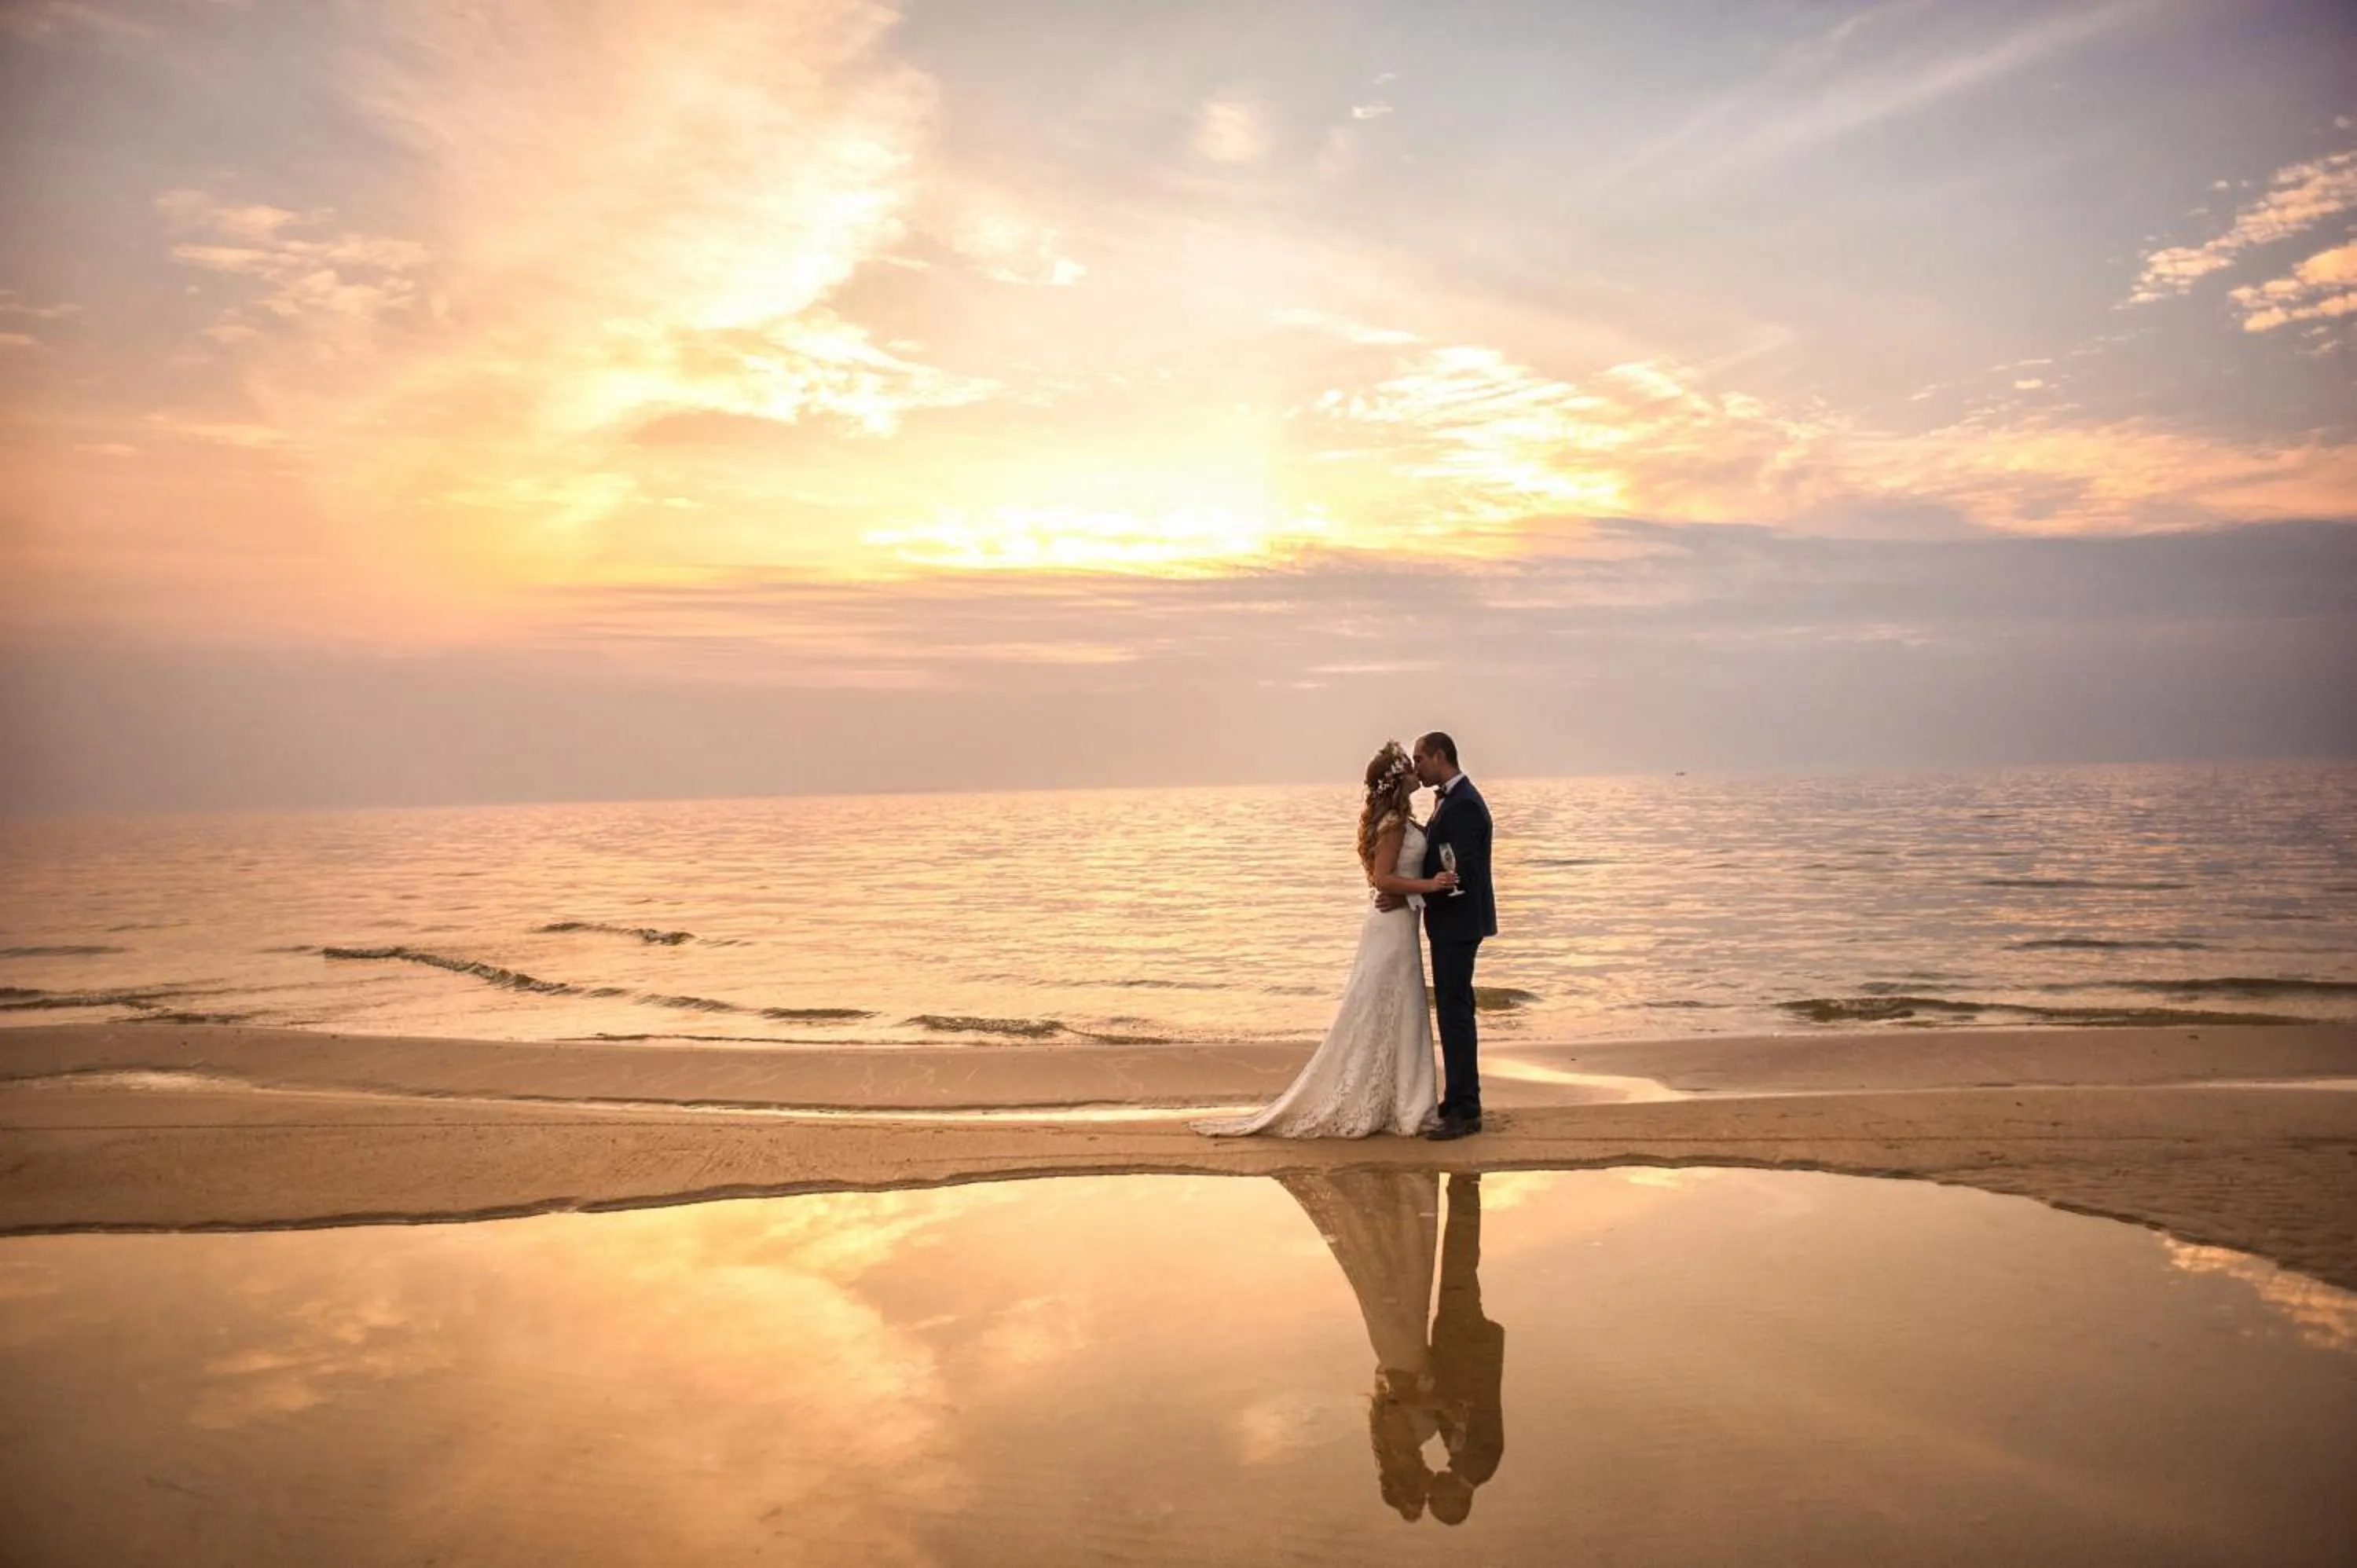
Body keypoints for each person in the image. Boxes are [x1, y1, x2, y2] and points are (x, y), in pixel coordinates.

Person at [1193, 740, 1457, 1138]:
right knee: (1387, 1006)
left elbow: (1393, 879)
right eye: (1409, 766)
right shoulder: (1391, 824)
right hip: (1390, 928)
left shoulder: (1402, 820)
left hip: (1400, 921)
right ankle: (1399, 1102)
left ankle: (1402, 1099)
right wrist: (1429, 886)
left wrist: (1413, 894)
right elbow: (1383, 879)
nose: (1415, 770)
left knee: (1399, 1008)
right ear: (1396, 780)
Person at [1376, 732, 1496, 1140]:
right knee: (1451, 1010)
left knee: (1455, 1013)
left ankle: (1466, 1109)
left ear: (1440, 756)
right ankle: (1458, 1097)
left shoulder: (1464, 804)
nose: (1417, 767)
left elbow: (1459, 875)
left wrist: (1409, 897)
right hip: (1451, 923)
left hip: (1459, 923)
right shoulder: (1450, 800)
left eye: (1420, 759)